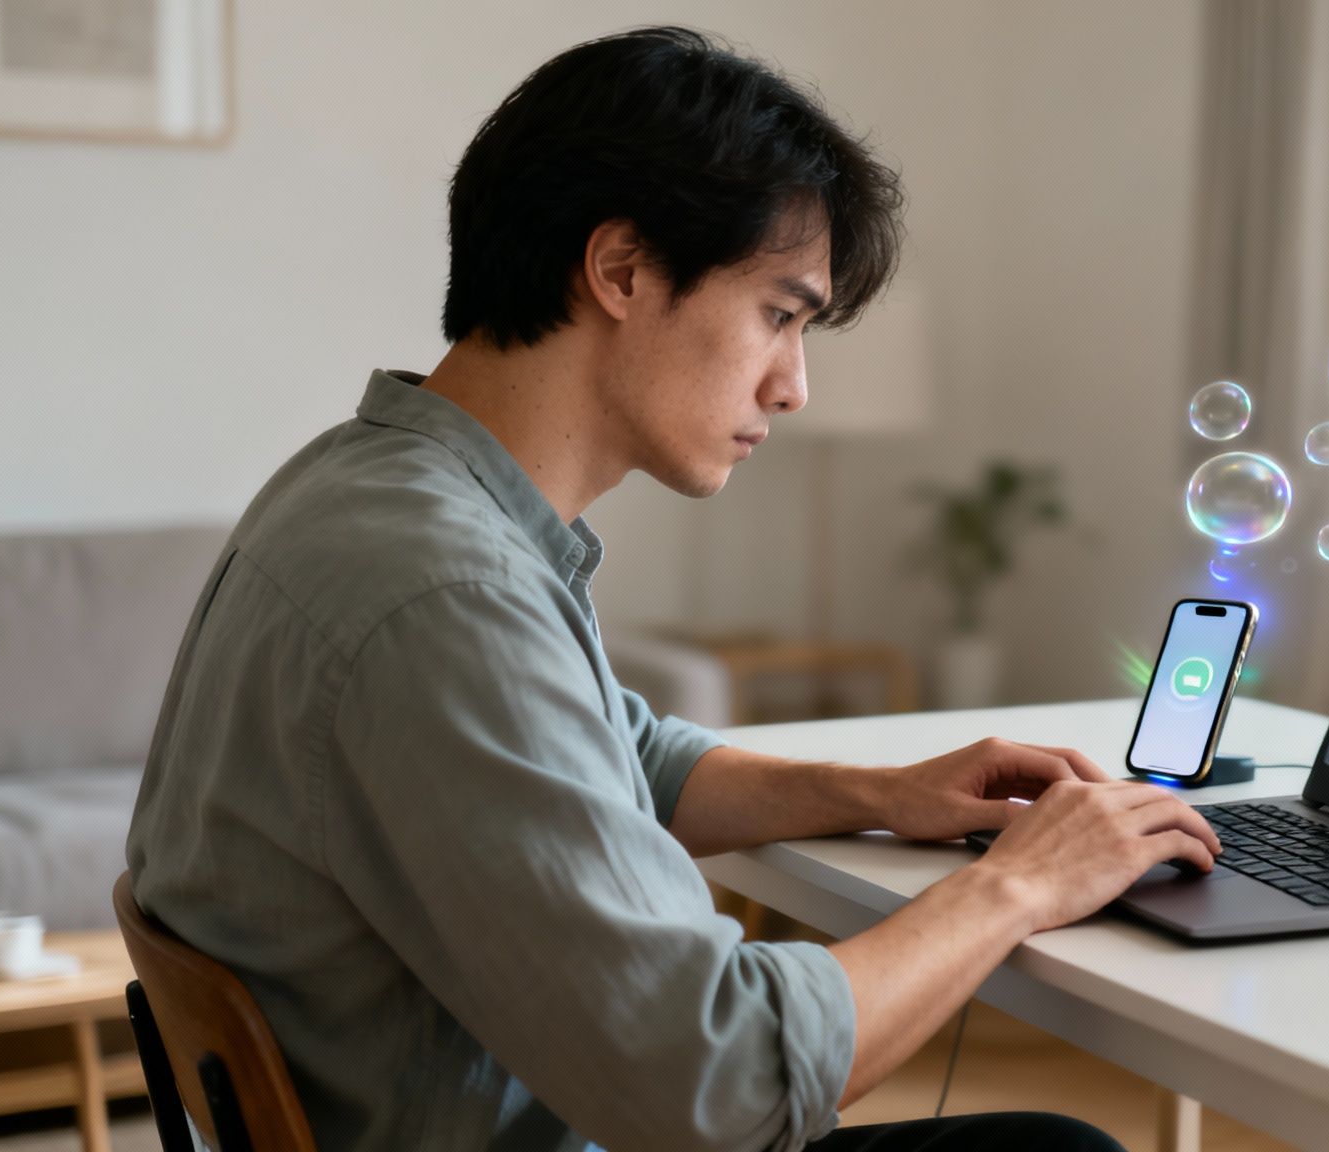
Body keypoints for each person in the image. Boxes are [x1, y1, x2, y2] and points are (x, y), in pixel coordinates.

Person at [126, 25, 1221, 1152]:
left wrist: (882, 791)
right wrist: (1018, 887)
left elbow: (613, 751)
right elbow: (720, 1087)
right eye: (779, 315)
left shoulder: (366, 488)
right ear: (621, 270)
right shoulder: (447, 593)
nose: (792, 386)